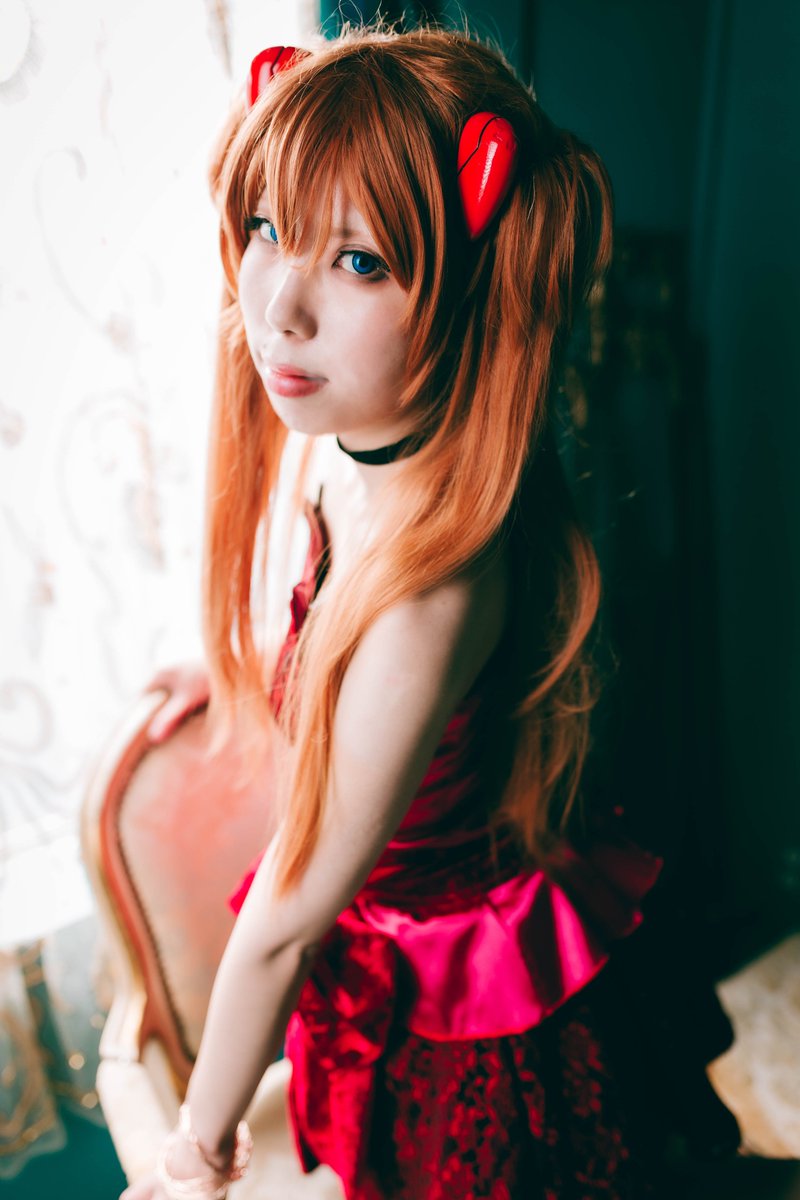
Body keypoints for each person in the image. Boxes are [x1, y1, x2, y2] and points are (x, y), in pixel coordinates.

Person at [122, 25, 740, 1200]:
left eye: (358, 262)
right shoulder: (361, 445)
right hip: (403, 956)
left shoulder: (432, 598)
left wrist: (190, 1159)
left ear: (467, 292)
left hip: (469, 1023)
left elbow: (285, 926)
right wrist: (262, 664)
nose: (279, 305)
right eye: (267, 227)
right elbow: (339, 632)